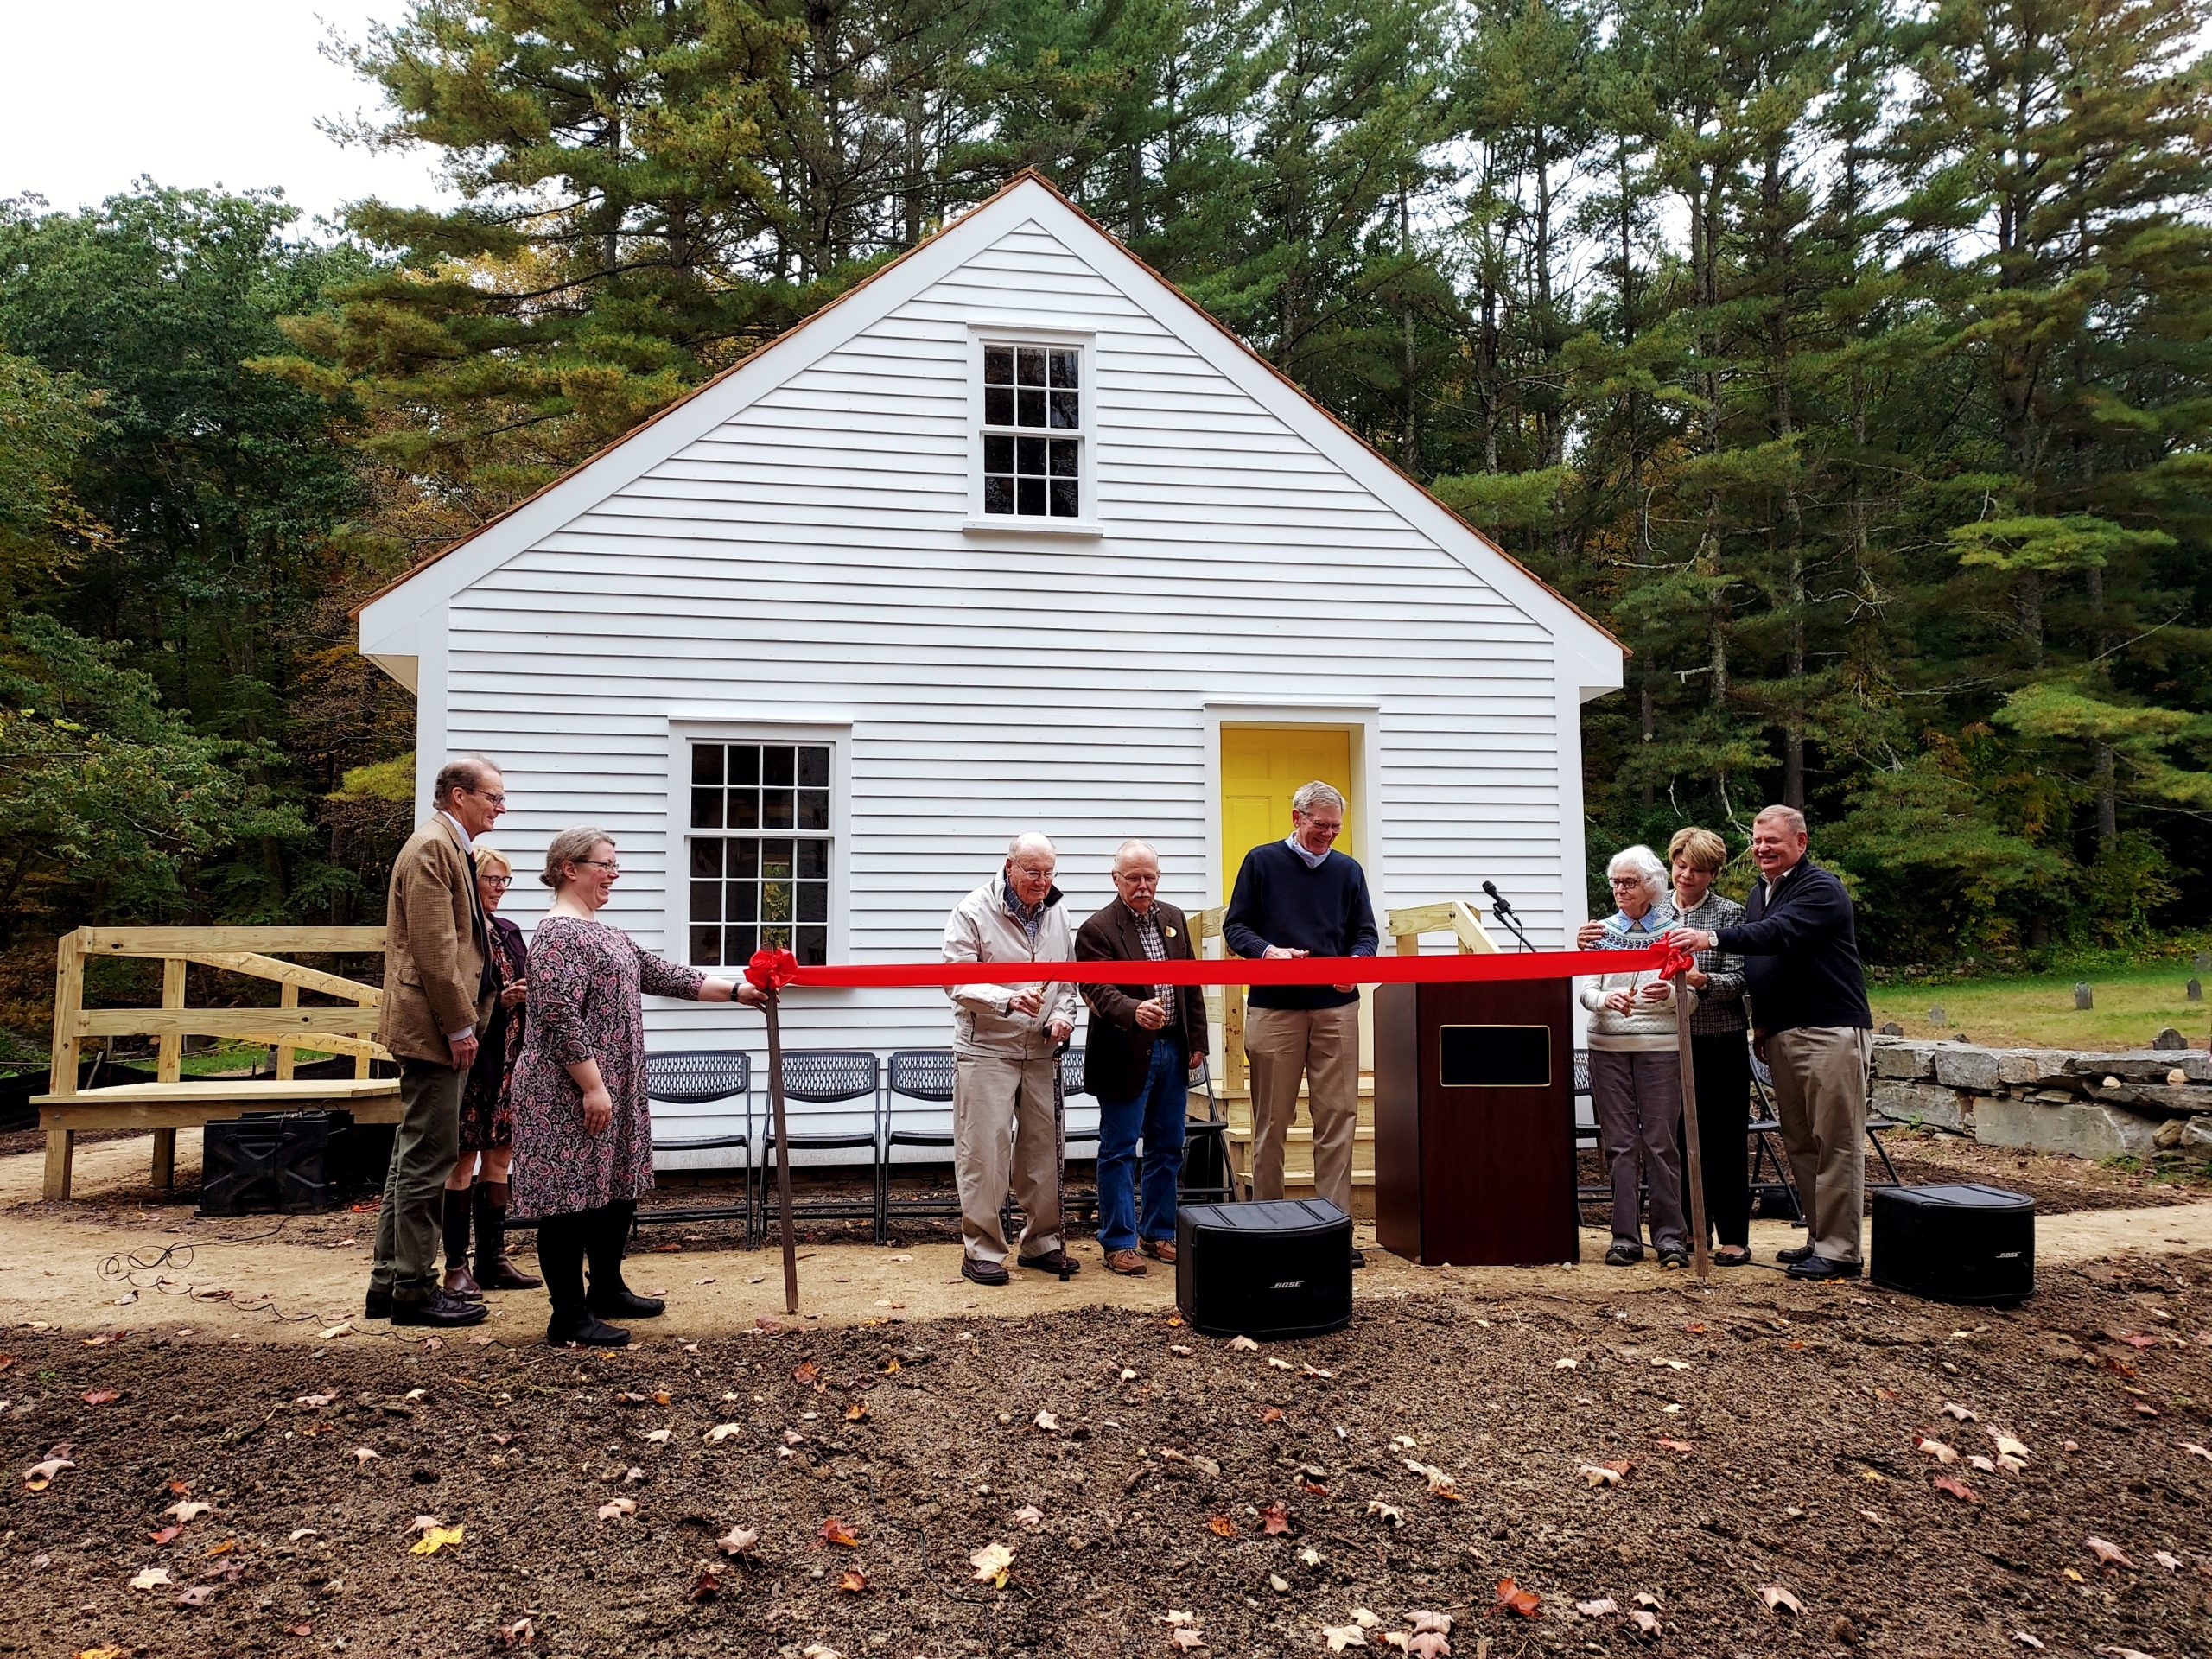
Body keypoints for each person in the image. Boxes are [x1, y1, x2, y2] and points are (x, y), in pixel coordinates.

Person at [509, 828, 761, 1345]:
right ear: (568, 869)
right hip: (566, 1089)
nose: (613, 875)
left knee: (614, 1188)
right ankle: (569, 1316)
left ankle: (606, 1287)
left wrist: (739, 991)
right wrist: (592, 1086)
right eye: (605, 865)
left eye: (615, 866)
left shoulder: (606, 933)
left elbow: (667, 975)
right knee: (568, 1198)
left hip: (611, 1084)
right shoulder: (558, 935)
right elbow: (557, 1017)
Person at [1666, 805, 1872, 1281]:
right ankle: (1818, 1238)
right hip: (1781, 1033)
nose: (1762, 849)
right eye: (1757, 841)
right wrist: (1762, 1026)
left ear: (1801, 843)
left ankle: (1841, 1251)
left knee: (1835, 1141)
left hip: (1829, 1031)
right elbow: (1765, 964)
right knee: (1800, 1142)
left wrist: (1710, 938)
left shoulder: (1821, 888)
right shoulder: (1762, 892)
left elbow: (1778, 936)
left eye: (1773, 841)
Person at [366, 757, 506, 1328]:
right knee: (430, 1158)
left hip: (436, 1027)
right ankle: (416, 1292)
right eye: (493, 797)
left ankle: (390, 1282)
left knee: (410, 1159)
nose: (501, 807)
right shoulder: (431, 849)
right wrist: (460, 1025)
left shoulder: (453, 849)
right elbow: (434, 949)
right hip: (432, 1030)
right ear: (457, 795)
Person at [1224, 781, 1378, 1264]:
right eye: (1320, 825)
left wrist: (1356, 961)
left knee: (1338, 1118)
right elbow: (1236, 926)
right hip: (1275, 1009)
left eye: (1336, 827)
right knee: (1272, 1119)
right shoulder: (1261, 861)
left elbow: (1366, 932)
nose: (1328, 834)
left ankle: (1331, 1229)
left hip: (1336, 1009)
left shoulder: (1348, 870)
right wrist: (1269, 953)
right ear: (1296, 818)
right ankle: (1269, 1226)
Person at [943, 833, 1082, 1287]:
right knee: (985, 1149)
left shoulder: (1058, 911)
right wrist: (1006, 1000)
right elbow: (956, 980)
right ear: (1009, 867)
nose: (1042, 882)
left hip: (1041, 1048)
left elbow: (1066, 980)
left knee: (1043, 1150)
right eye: (1032, 872)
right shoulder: (972, 910)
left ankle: (1042, 1243)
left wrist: (1062, 1016)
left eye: (1048, 873)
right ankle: (981, 1250)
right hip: (987, 1049)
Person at [1076, 841, 1209, 1275]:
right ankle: (1118, 1242)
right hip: (1124, 1054)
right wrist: (1133, 1011)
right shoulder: (1097, 929)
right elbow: (1096, 989)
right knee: (1118, 1149)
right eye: (1133, 877)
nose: (1143, 885)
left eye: (1150, 876)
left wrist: (1198, 1040)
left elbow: (1189, 984)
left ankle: (1159, 1233)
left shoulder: (1173, 920)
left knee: (1168, 1147)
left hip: (1173, 1048)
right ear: (1116, 879)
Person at [1577, 844, 1694, 1269]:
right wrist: (1608, 999)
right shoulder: (1599, 931)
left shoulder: (1675, 929)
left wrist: (1669, 997)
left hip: (1660, 1047)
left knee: (1662, 1143)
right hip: (1607, 1045)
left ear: (1652, 886)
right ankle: (1624, 1236)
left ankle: (1670, 1237)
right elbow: (1586, 989)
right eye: (1616, 883)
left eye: (1630, 882)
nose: (1621, 890)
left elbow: (1693, 996)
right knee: (1619, 1144)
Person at [436, 839, 541, 1299]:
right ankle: (455, 1265)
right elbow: (452, 991)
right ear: (469, 880)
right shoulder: (461, 932)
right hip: (470, 1059)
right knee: (461, 1161)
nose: (499, 888)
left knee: (500, 1156)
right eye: (490, 879)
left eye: (505, 880)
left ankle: (493, 1259)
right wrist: (499, 999)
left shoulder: (510, 929)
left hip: (509, 1057)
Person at [1662, 826, 1752, 1267]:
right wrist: (1593, 939)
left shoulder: (1731, 916)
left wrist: (1703, 981)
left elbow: (1742, 979)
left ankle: (1734, 1235)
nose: (1686, 876)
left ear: (1713, 873)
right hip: (1665, 1043)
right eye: (1681, 866)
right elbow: (1620, 948)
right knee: (1674, 1136)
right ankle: (1684, 1232)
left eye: (1697, 871)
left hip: (1720, 1041)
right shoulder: (1654, 911)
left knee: (1725, 1138)